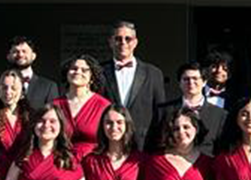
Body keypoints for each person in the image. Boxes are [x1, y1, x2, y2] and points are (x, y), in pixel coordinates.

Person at [102, 21, 168, 149]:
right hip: (109, 143)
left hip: (143, 144)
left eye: (128, 39)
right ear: (110, 42)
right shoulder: (100, 72)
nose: (123, 43)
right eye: (118, 38)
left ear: (135, 42)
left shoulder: (153, 73)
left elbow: (160, 113)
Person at [157, 62, 227, 157]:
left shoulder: (220, 114)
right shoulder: (164, 110)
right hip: (172, 165)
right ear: (179, 83)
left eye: (195, 78)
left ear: (204, 82)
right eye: (186, 79)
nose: (191, 83)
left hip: (206, 168)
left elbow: (222, 148)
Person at [54, 54, 112, 161]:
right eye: (74, 68)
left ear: (92, 77)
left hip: (94, 164)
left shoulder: (104, 106)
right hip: (61, 164)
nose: (78, 72)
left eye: (84, 70)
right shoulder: (55, 105)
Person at [0, 69, 31, 172]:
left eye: (14, 88)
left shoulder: (32, 117)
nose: (8, 92)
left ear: (22, 91)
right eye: (4, 87)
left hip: (24, 172)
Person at [3, 35, 58, 109]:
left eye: (24, 51)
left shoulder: (48, 87)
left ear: (33, 56)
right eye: (15, 51)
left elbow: (53, 116)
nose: (20, 54)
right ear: (8, 56)